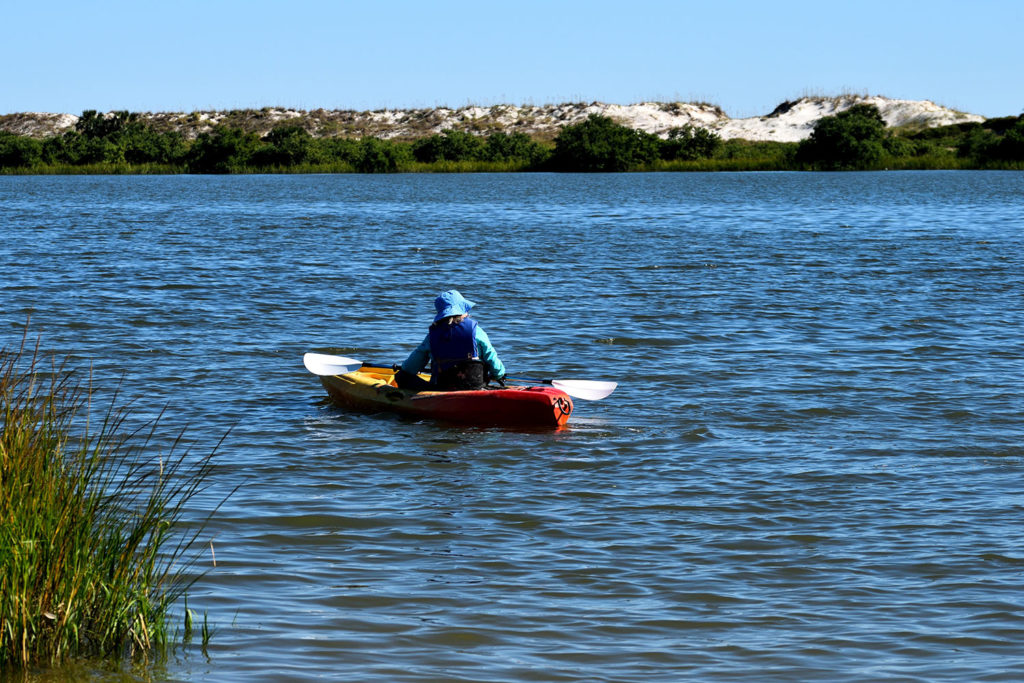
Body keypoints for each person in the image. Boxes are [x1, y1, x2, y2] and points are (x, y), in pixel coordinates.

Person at [396, 290, 507, 391]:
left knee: (401, 376)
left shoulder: (431, 337)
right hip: (475, 386)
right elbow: (492, 360)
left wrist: (406, 368)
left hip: (442, 388)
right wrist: (498, 375)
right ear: (462, 310)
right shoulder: (477, 332)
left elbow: (409, 368)